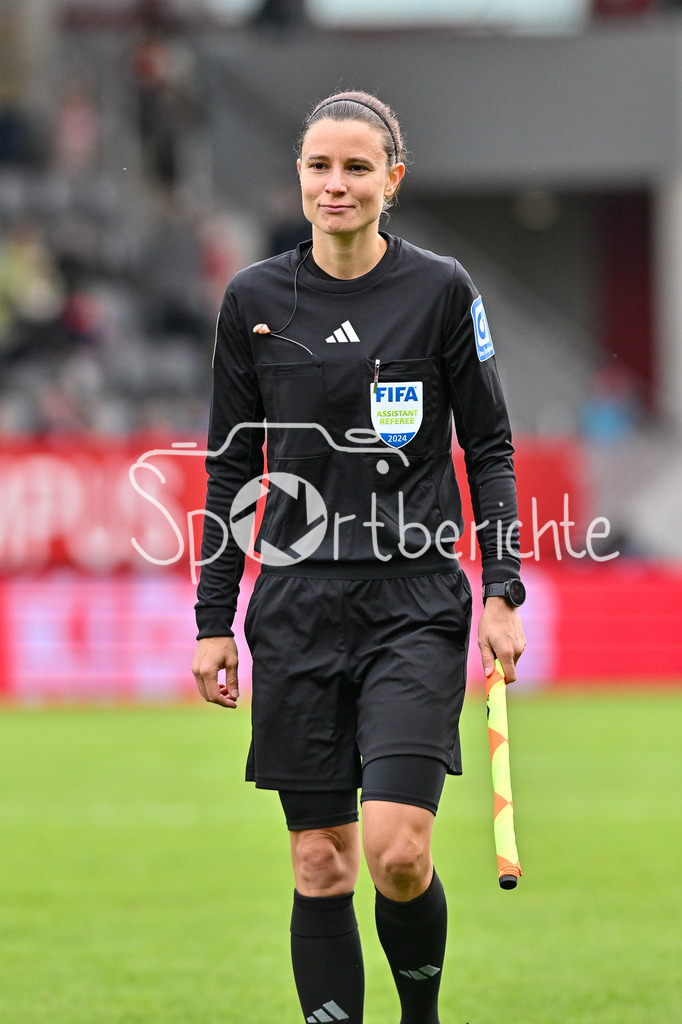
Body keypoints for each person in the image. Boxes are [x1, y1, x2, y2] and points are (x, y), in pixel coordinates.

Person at [192, 90, 526, 1024]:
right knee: (320, 861)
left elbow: (488, 449)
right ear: (299, 177)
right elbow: (229, 466)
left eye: (355, 168)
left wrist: (502, 587)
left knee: (397, 850)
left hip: (413, 600)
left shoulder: (442, 290)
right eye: (318, 167)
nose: (335, 185)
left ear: (392, 180)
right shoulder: (252, 299)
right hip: (295, 606)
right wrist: (213, 619)